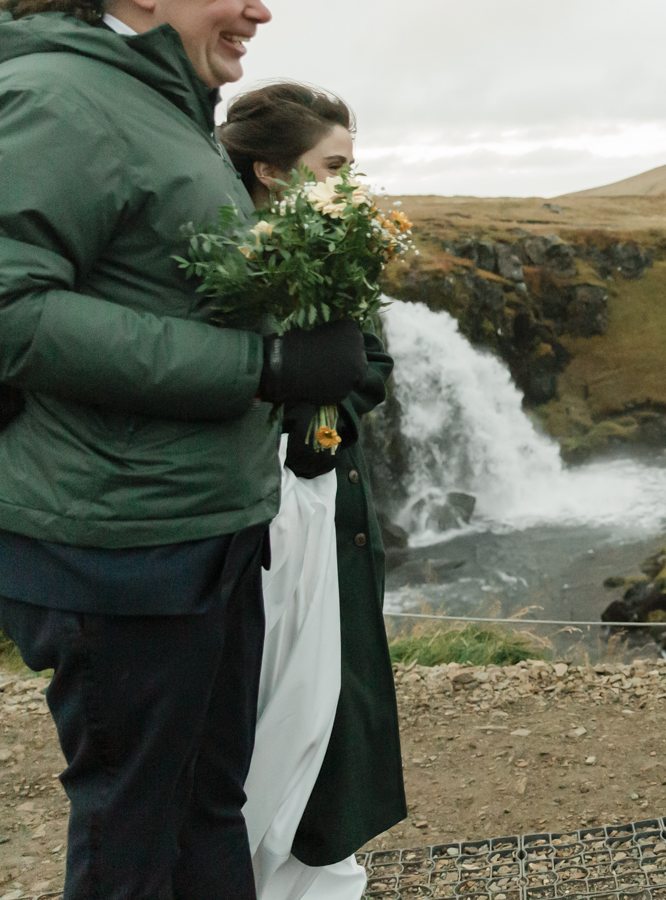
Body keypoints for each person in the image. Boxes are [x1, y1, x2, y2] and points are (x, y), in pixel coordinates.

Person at [0, 0, 367, 899]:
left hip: (195, 528)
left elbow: (155, 283)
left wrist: (297, 340)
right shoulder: (63, 101)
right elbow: (10, 308)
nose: (261, 9)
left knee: (209, 804)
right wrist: (263, 371)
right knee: (134, 822)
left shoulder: (162, 107)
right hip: (116, 545)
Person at [218, 84, 408, 898]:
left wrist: (326, 418)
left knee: (319, 701)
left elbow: (372, 365)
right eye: (334, 166)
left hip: (324, 513)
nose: (350, 184)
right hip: (247, 520)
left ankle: (306, 868)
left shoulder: (337, 250)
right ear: (269, 169)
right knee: (258, 707)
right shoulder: (214, 247)